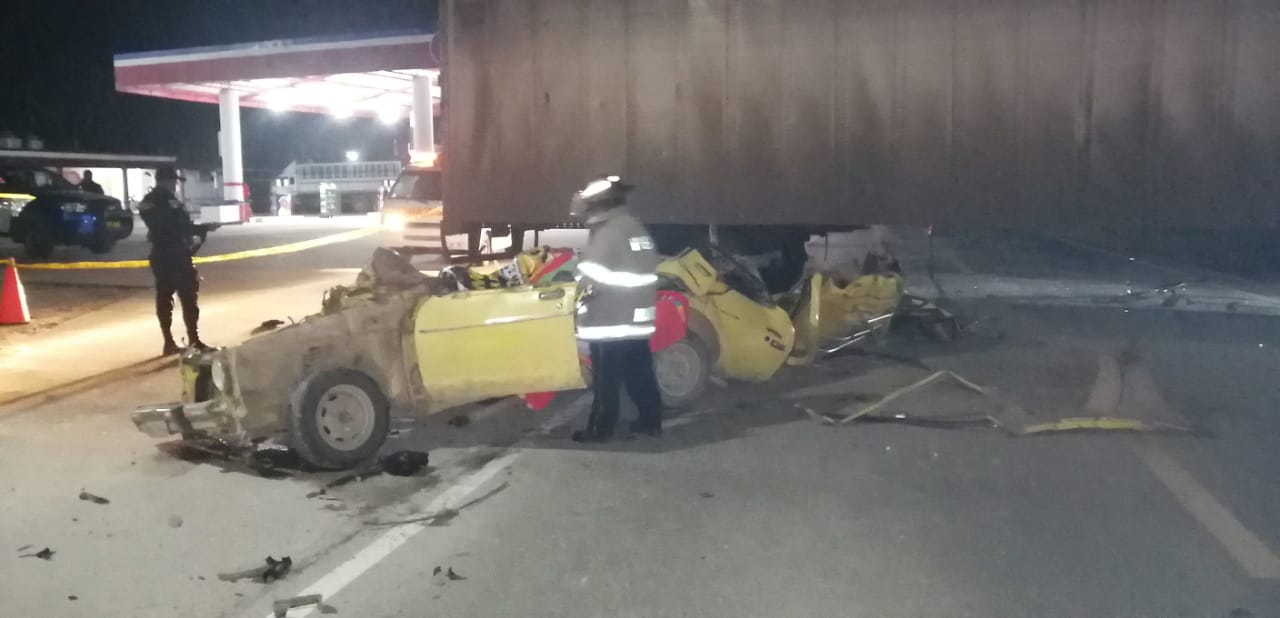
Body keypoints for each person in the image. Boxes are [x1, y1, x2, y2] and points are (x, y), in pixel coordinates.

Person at [569, 175, 663, 442]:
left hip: (610, 320)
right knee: (639, 375)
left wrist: (572, 288)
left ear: (598, 205)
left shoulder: (608, 234)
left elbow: (589, 279)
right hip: (636, 319)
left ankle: (599, 430)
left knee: (605, 382)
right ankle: (650, 421)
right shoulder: (633, 227)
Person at [138, 166, 210, 355]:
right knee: (181, 297)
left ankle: (178, 341)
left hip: (168, 254)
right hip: (172, 255)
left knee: (173, 298)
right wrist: (192, 232)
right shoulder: (161, 201)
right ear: (165, 180)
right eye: (174, 180)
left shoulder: (160, 201)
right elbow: (170, 227)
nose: (176, 184)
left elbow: (178, 225)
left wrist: (200, 229)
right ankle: (185, 341)